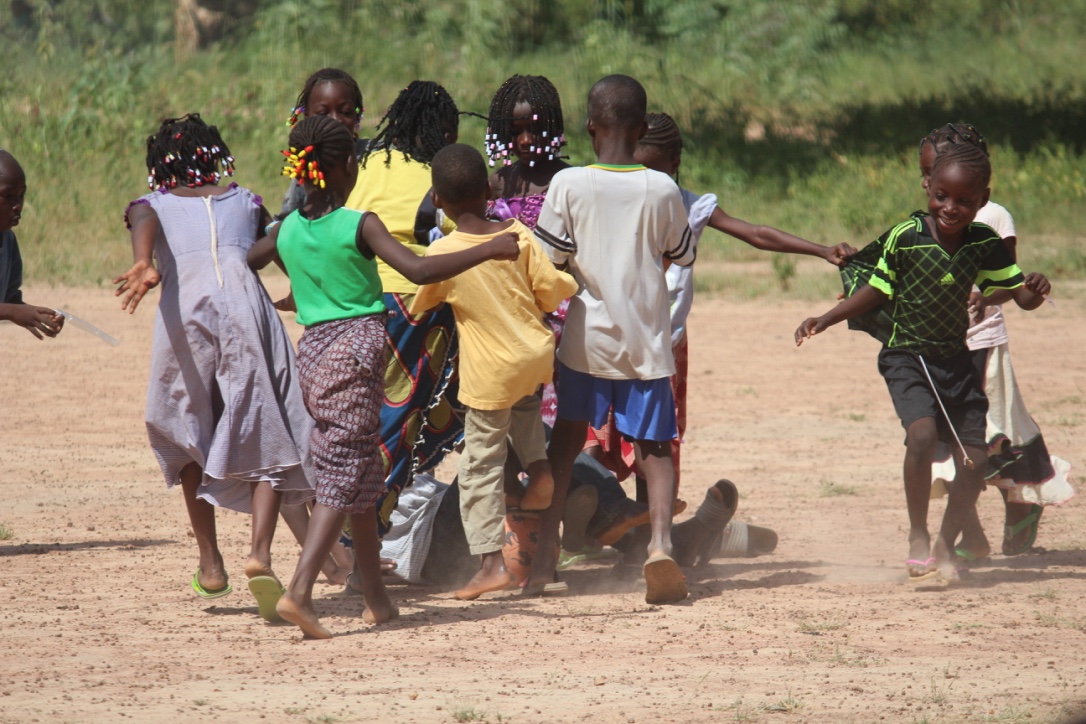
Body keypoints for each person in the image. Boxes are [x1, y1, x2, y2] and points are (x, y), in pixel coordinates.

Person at [247, 115, 518, 639]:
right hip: (357, 353)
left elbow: (249, 257)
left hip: (316, 354)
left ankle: (377, 599)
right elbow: (417, 272)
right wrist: (489, 247)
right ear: (347, 166)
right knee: (346, 472)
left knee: (363, 473)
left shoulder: (289, 230)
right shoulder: (357, 223)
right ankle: (300, 592)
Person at [795, 140, 1051, 583]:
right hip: (906, 356)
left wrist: (1034, 288)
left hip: (955, 360)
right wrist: (826, 317)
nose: (951, 207)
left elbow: (1018, 294)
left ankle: (944, 543)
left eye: (965, 201)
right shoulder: (906, 237)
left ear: (982, 202)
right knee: (921, 435)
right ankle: (917, 534)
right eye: (942, 196)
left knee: (974, 461)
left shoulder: (984, 243)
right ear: (928, 187)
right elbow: (877, 289)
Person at [585, 112, 856, 494]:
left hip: (666, 344)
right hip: (615, 340)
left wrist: (823, 250)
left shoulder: (691, 207)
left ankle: (652, 532)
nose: (644, 180)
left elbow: (758, 234)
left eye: (652, 170)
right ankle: (599, 522)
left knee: (659, 441)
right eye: (636, 168)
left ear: (674, 165)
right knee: (599, 437)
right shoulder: (613, 201)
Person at [113, 114, 314, 620]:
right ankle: (260, 552)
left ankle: (210, 562)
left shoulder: (151, 202)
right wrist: (301, 284)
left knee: (187, 431)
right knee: (263, 422)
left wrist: (146, 261)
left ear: (159, 166)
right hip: (248, 319)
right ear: (217, 156)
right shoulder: (246, 201)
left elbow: (145, 220)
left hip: (187, 325)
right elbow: (275, 244)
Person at [531, 75, 695, 604]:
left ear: (589, 128)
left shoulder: (569, 184)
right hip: (646, 340)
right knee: (655, 449)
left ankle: (543, 561)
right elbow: (681, 253)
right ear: (643, 127)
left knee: (566, 443)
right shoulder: (663, 188)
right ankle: (661, 544)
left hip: (585, 340)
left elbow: (549, 262)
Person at [410, 143, 577, 600]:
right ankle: (540, 471)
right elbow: (554, 290)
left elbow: (421, 305)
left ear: (437, 200)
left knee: (481, 466)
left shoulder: (446, 254)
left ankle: (489, 564)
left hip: (489, 374)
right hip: (533, 357)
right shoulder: (518, 235)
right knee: (525, 415)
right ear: (488, 189)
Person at [919, 123, 1073, 560]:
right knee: (942, 444)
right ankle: (972, 535)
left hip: (982, 346)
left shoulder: (992, 217)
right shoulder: (932, 215)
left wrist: (991, 293)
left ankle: (1018, 505)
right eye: (926, 176)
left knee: (990, 439)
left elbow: (1011, 283)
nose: (929, 183)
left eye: (933, 170)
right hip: (936, 346)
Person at [344, 80, 465, 537]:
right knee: (398, 422)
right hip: (414, 308)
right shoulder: (437, 176)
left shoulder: (364, 161)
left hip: (355, 303)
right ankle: (362, 537)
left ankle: (348, 530)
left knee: (359, 420)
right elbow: (462, 230)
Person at [483, 74, 572, 426]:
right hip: (507, 308)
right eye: (515, 130)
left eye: (534, 130)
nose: (524, 140)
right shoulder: (497, 183)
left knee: (553, 399)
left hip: (557, 311)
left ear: (552, 127)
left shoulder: (569, 180)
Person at [0, 149, 65, 339]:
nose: (18, 205)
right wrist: (13, 312)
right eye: (8, 196)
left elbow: (8, 299)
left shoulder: (8, 241)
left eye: (21, 195)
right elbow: (8, 308)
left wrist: (34, 314)